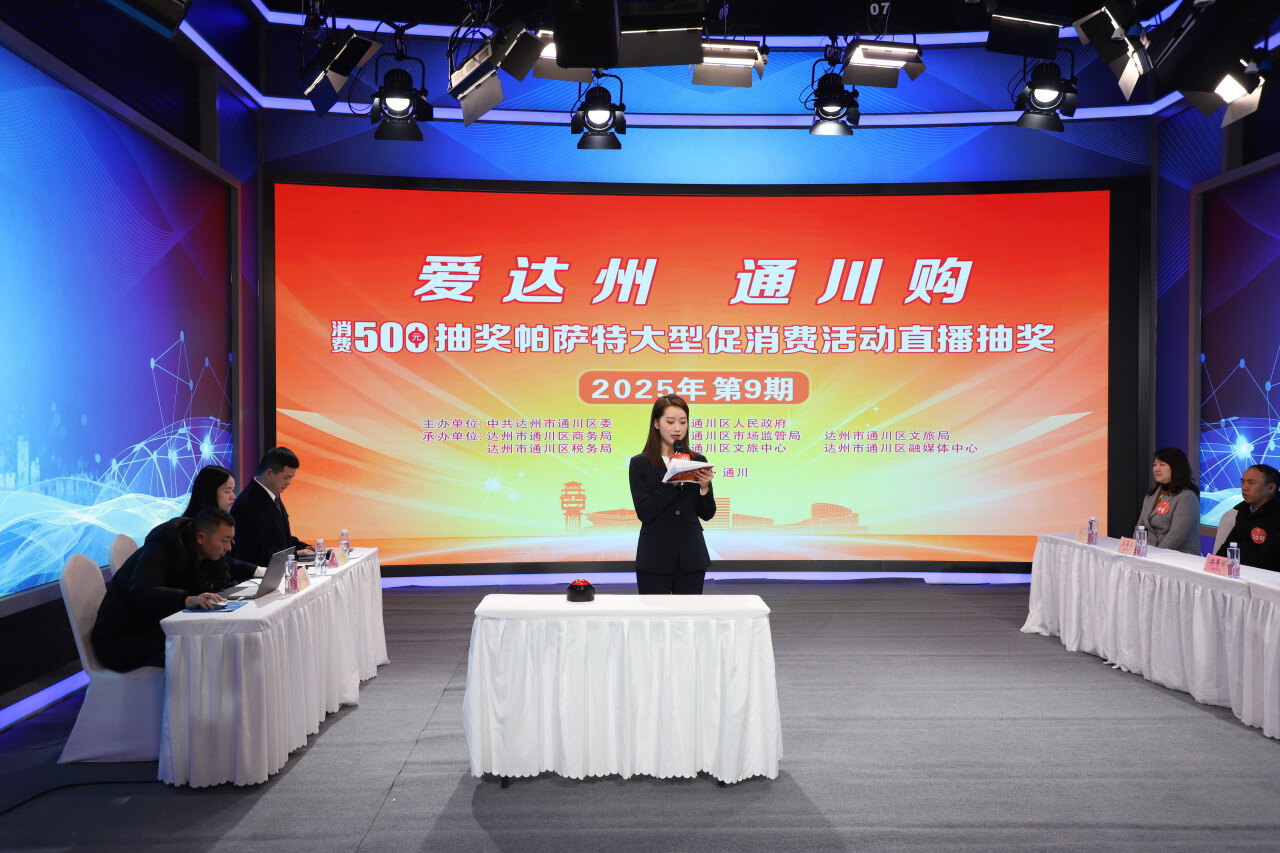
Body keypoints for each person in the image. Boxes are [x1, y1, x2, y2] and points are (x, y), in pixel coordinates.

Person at [91, 509, 249, 672]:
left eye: (231, 540)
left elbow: (224, 573)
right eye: (225, 540)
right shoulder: (160, 548)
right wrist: (186, 600)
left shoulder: (203, 553)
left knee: (220, 643)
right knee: (208, 653)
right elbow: (140, 592)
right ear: (201, 538)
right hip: (124, 639)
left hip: (155, 629)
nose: (229, 548)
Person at [628, 395, 716, 594]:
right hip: (654, 557)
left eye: (683, 422)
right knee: (653, 613)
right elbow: (645, 512)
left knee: (689, 613)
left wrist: (704, 488)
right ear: (656, 423)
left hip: (691, 557)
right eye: (670, 422)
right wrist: (672, 480)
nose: (678, 428)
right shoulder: (640, 463)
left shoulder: (697, 460)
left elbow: (707, 514)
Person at [229, 446, 312, 567]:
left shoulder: (273, 493)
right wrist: (294, 554)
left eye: (291, 477)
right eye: (286, 477)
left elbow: (283, 539)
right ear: (269, 473)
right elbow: (252, 553)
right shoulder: (247, 504)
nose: (289, 483)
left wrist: (307, 548)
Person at [1135, 447, 1201, 554]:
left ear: (1176, 468)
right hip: (1148, 554)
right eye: (1155, 464)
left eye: (1162, 464)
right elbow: (1140, 526)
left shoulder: (1187, 496)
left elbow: (1175, 537)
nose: (1156, 469)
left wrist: (1155, 556)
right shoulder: (1151, 495)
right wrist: (1137, 550)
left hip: (1176, 558)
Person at [1216, 463, 1280, 571]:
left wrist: (1239, 570)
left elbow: (1269, 557)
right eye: (1242, 482)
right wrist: (1215, 566)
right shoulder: (1242, 509)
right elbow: (1230, 545)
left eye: (1251, 483)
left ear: (1271, 488)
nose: (1244, 487)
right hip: (1240, 572)